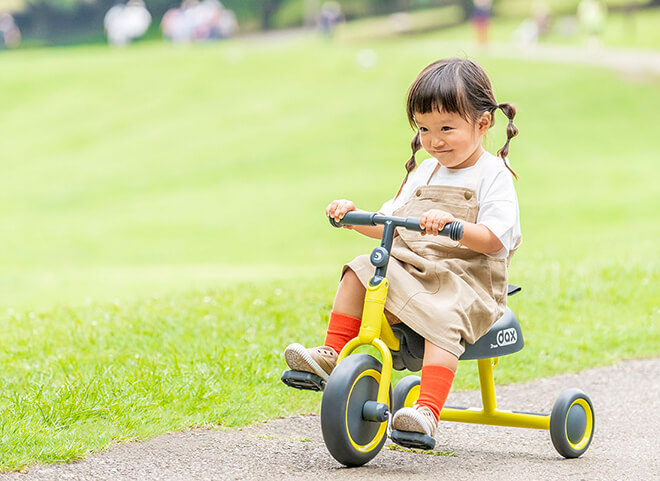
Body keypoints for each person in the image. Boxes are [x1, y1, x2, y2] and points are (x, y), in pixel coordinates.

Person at [284, 58, 521, 438]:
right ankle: (332, 353)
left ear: (482, 124)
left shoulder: (493, 175)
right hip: (413, 269)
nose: (435, 140)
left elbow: (495, 238)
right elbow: (389, 225)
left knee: (444, 317)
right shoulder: (424, 171)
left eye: (446, 128)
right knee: (360, 268)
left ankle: (427, 410)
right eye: (425, 129)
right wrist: (352, 217)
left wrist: (452, 227)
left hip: (467, 282)